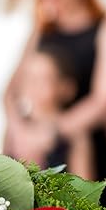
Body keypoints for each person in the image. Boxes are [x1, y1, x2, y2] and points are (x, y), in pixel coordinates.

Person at [2, 0, 106, 198]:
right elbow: (11, 92)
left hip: (86, 154)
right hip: (35, 151)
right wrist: (21, 133)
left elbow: (104, 100)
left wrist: (50, 133)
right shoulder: (42, 31)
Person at [16, 47, 95, 180]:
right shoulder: (18, 126)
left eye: (44, 78)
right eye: (29, 77)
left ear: (66, 88)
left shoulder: (75, 136)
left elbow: (85, 192)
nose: (34, 84)